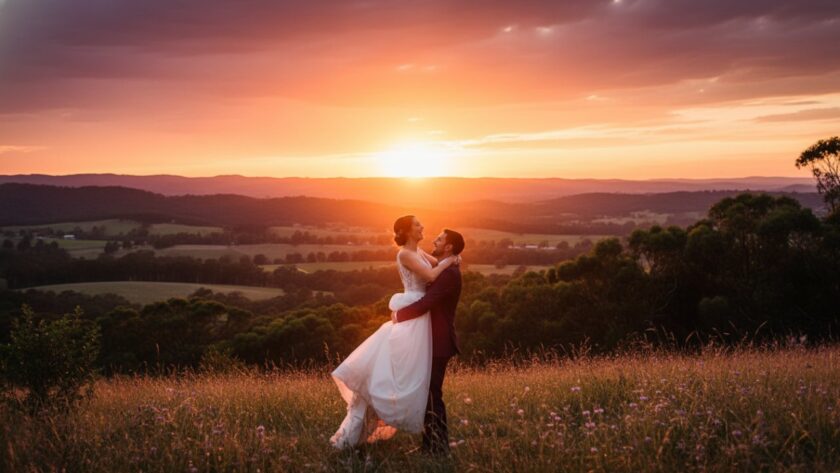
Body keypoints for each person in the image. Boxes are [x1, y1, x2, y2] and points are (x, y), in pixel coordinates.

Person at [329, 215, 460, 449]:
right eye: (418, 225)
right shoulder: (405, 254)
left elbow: (437, 264)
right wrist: (451, 261)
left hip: (420, 317)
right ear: (408, 231)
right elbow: (432, 274)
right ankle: (370, 424)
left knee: (422, 383)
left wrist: (452, 258)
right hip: (414, 312)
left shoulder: (418, 251)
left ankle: (432, 441)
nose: (423, 227)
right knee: (397, 374)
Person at [394, 227, 464, 455]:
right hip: (429, 339)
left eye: (440, 239)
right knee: (428, 394)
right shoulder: (445, 267)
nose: (435, 239)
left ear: (449, 246)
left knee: (433, 394)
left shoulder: (450, 275)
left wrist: (399, 315)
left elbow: (427, 302)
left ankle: (438, 448)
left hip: (440, 341)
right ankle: (430, 445)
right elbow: (430, 263)